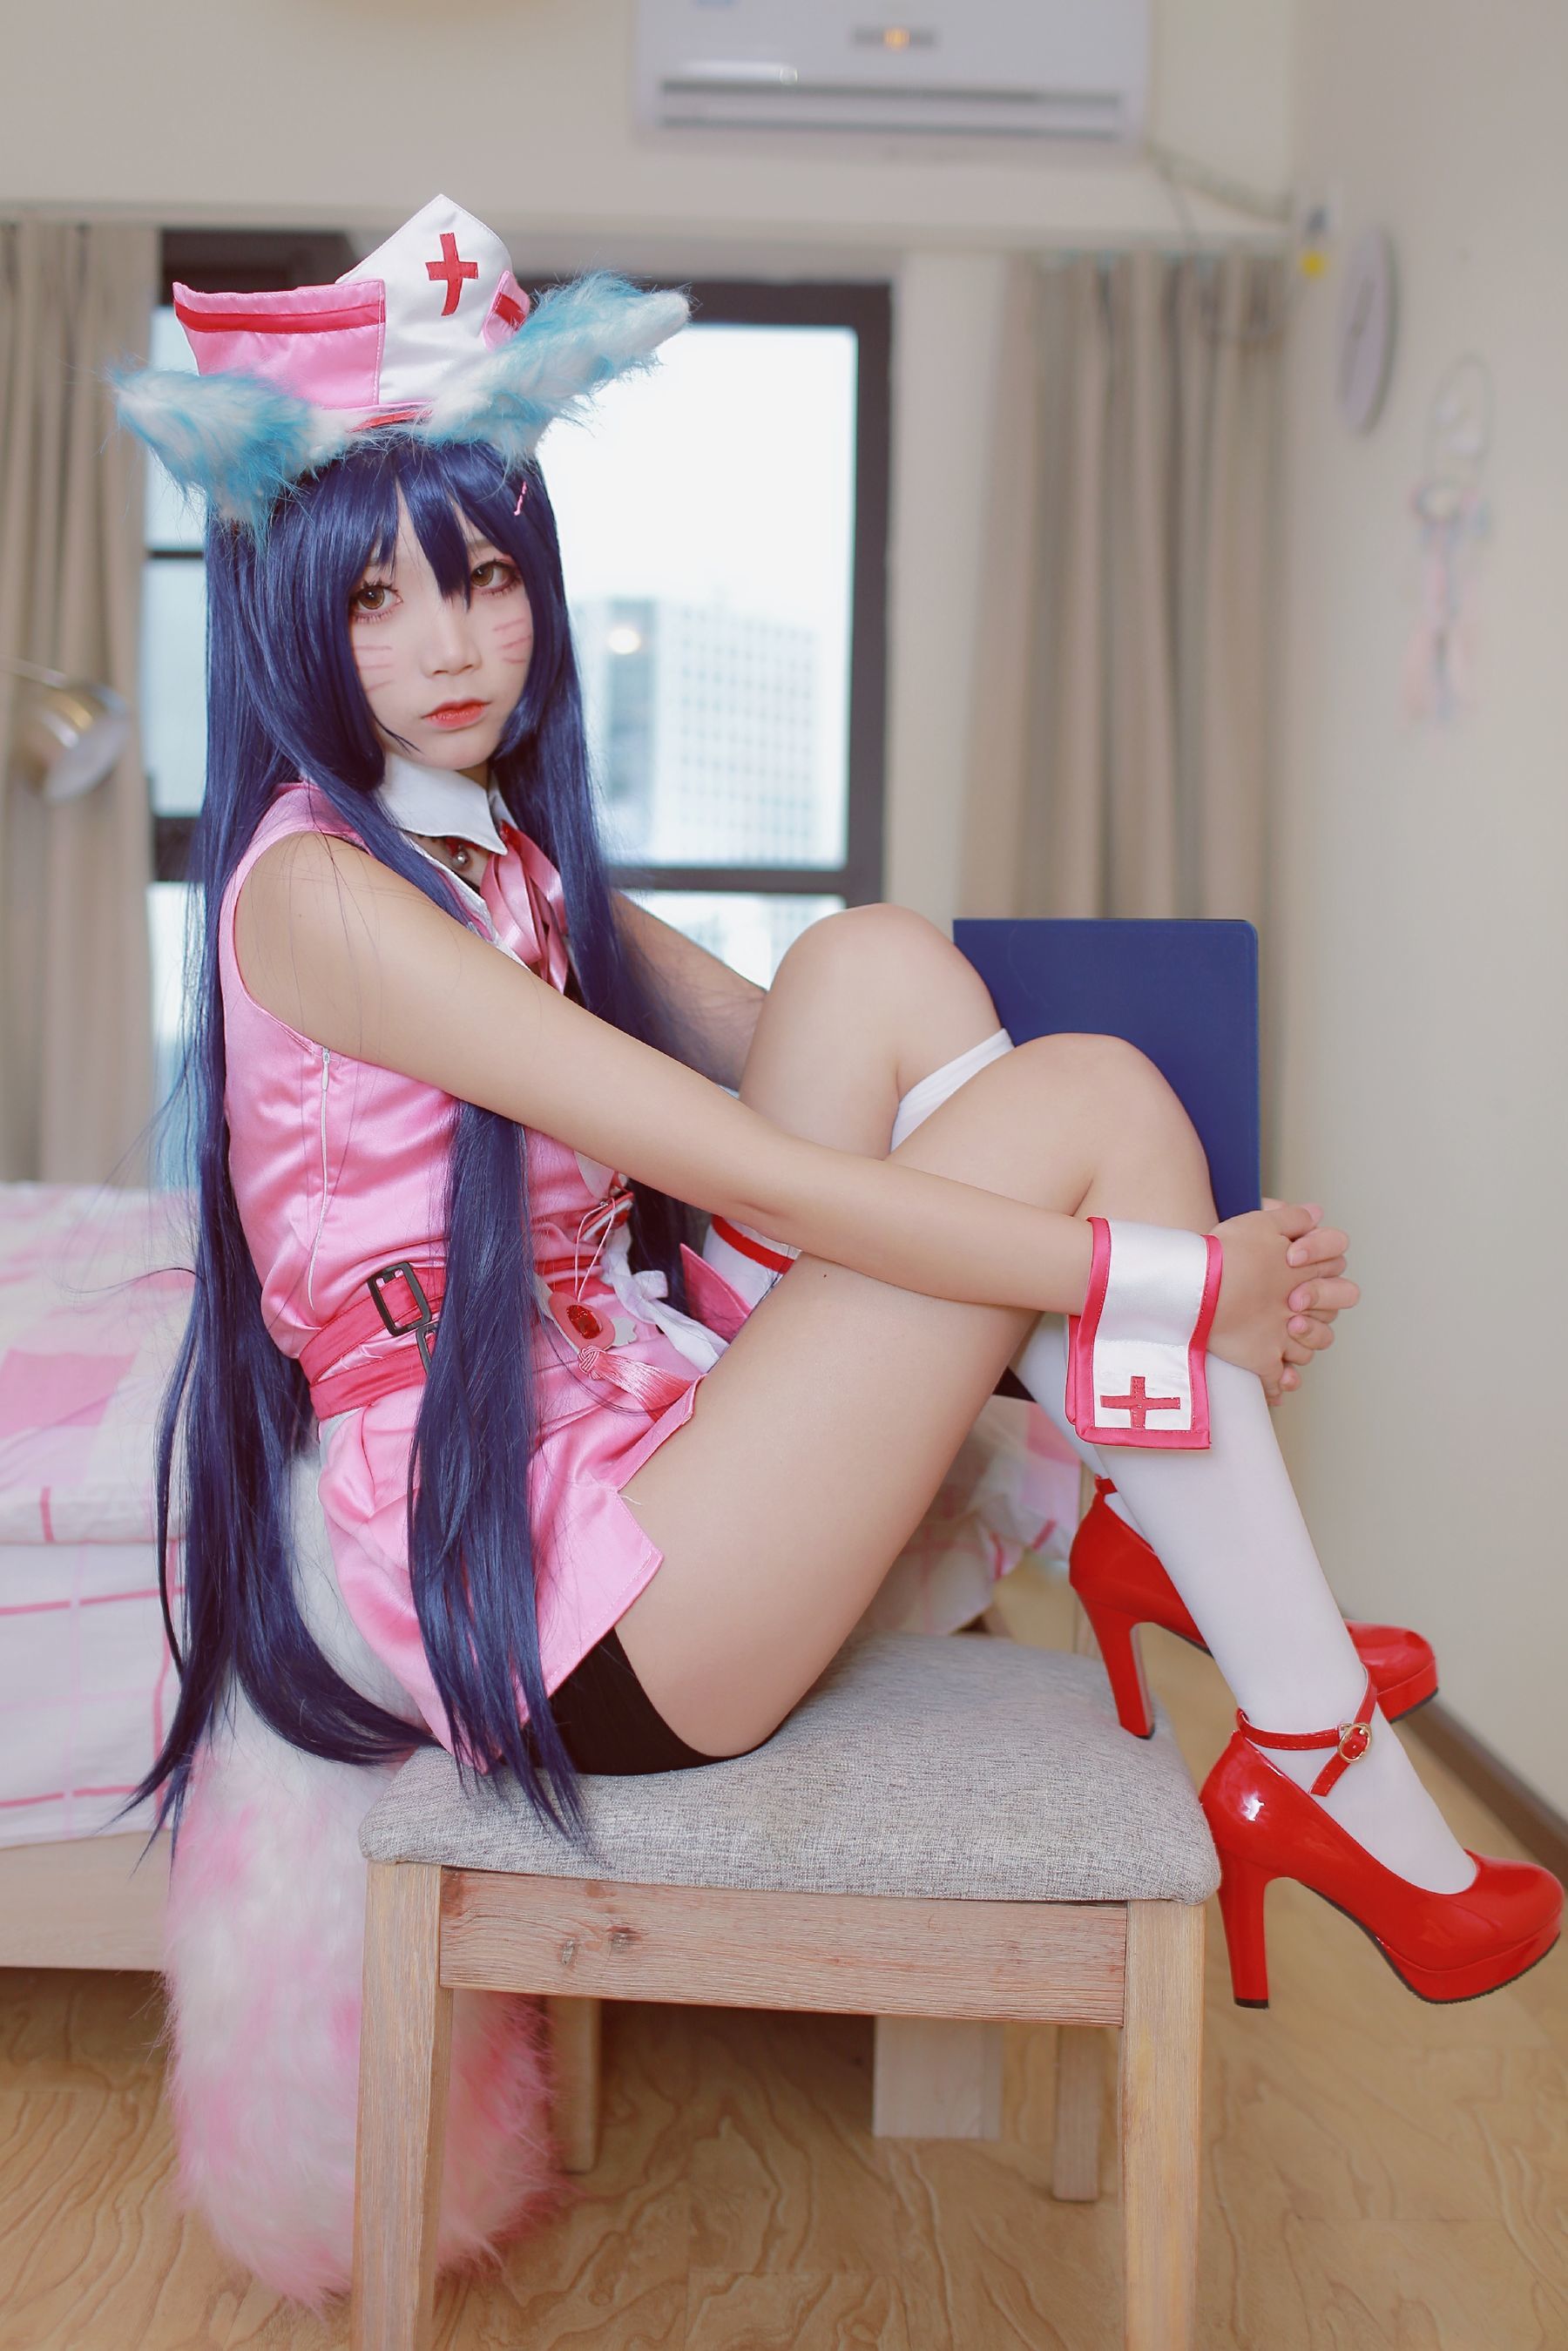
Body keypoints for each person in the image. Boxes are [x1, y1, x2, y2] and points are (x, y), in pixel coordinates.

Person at [119, 195, 1559, 2016]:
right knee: (1092, 1099)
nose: (453, 644)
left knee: (874, 957)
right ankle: (1311, 1731)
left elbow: (771, 1031)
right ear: (294, 614)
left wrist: (1135, 1279)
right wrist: (1182, 1290)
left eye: (484, 577)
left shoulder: (487, 849)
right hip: (567, 1621)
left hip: (628, 1449)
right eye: (375, 599)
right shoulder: (322, 896)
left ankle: (1172, 1513)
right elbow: (752, 1169)